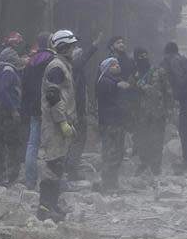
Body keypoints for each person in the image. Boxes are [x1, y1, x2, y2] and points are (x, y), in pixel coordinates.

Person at [37, 29, 78, 222]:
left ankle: (52, 206)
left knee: (58, 164)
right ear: (63, 46)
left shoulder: (63, 65)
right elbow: (53, 95)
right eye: (71, 46)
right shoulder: (56, 67)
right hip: (54, 124)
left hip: (60, 122)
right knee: (52, 164)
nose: (74, 49)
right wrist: (62, 122)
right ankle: (45, 208)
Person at [65, 32, 102, 181]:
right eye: (74, 47)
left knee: (77, 139)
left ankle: (70, 168)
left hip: (77, 109)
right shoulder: (71, 65)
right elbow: (82, 60)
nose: (78, 49)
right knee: (77, 139)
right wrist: (94, 45)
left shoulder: (74, 68)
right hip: (75, 110)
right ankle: (71, 170)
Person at [21, 32, 54, 190]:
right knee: (52, 144)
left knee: (32, 144)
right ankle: (51, 181)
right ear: (49, 42)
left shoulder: (30, 62)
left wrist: (25, 107)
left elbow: (25, 86)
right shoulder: (53, 60)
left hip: (34, 107)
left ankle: (30, 180)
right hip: (50, 106)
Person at [132, 48, 173, 176]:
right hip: (140, 115)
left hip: (157, 113)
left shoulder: (159, 71)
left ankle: (156, 168)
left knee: (157, 140)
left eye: (145, 55)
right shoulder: (134, 75)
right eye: (140, 56)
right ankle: (144, 164)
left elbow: (168, 91)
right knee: (142, 140)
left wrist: (170, 109)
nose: (143, 58)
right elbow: (130, 95)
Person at [161, 42, 187, 172]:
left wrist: (176, 96)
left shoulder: (174, 61)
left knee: (185, 129)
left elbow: (180, 79)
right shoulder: (184, 59)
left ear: (167, 53)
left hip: (186, 98)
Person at [0, 47, 25, 186]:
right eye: (15, 55)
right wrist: (13, 110)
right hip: (8, 114)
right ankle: (7, 177)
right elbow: (3, 91)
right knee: (9, 144)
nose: (18, 57)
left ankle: (1, 176)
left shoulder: (5, 70)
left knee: (2, 143)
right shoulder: (8, 71)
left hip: (4, 112)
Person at [95, 58, 129, 191]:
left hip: (117, 121)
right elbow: (108, 90)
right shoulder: (104, 81)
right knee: (111, 152)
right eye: (113, 65)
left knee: (118, 152)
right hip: (110, 122)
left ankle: (112, 181)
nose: (117, 66)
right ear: (107, 68)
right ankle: (108, 183)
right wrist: (117, 86)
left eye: (118, 63)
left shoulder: (115, 80)